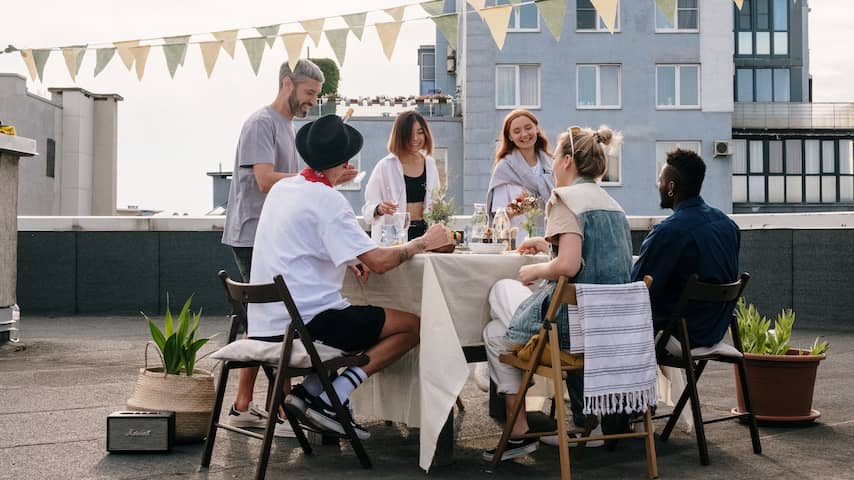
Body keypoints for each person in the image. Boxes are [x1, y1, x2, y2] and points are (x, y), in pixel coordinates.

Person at [247, 114, 452, 439]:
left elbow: (305, 237)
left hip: (266, 326)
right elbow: (380, 262)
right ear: (344, 162)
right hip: (308, 326)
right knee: (415, 325)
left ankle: (313, 391)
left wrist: (349, 255)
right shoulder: (329, 201)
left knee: (363, 315)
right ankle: (332, 395)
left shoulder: (284, 189)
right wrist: (423, 242)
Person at [221, 59, 357, 437]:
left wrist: (327, 176)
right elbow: (266, 181)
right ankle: (275, 411)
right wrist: (315, 175)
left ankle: (250, 407)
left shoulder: (288, 126)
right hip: (253, 233)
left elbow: (299, 188)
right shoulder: (262, 123)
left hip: (273, 233)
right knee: (272, 323)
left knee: (267, 323)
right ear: (287, 84)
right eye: (310, 93)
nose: (313, 101)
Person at [483, 125, 632, 462]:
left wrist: (533, 270)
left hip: (571, 330)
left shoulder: (565, 198)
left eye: (554, 162)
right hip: (610, 329)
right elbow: (591, 258)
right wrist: (546, 246)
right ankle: (587, 422)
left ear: (566, 161)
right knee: (496, 330)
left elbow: (568, 266)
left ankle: (518, 430)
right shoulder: (614, 206)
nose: (551, 168)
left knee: (498, 300)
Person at [631, 149, 740, 348]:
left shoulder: (669, 232)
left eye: (661, 180)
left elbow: (637, 288)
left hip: (682, 333)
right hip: (715, 329)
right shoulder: (728, 226)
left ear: (671, 187)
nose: (659, 185)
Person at [362, 110, 441, 242]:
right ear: (400, 136)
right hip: (394, 238)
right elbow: (368, 211)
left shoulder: (430, 163)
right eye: (409, 134)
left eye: (420, 132)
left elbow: (436, 200)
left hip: (425, 235)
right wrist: (379, 208)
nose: (415, 138)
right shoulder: (385, 166)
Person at [486, 109, 555, 246]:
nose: (524, 134)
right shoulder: (504, 169)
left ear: (536, 129)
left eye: (528, 128)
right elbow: (499, 217)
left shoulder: (551, 165)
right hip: (518, 246)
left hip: (548, 243)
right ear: (510, 137)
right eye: (516, 131)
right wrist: (515, 209)